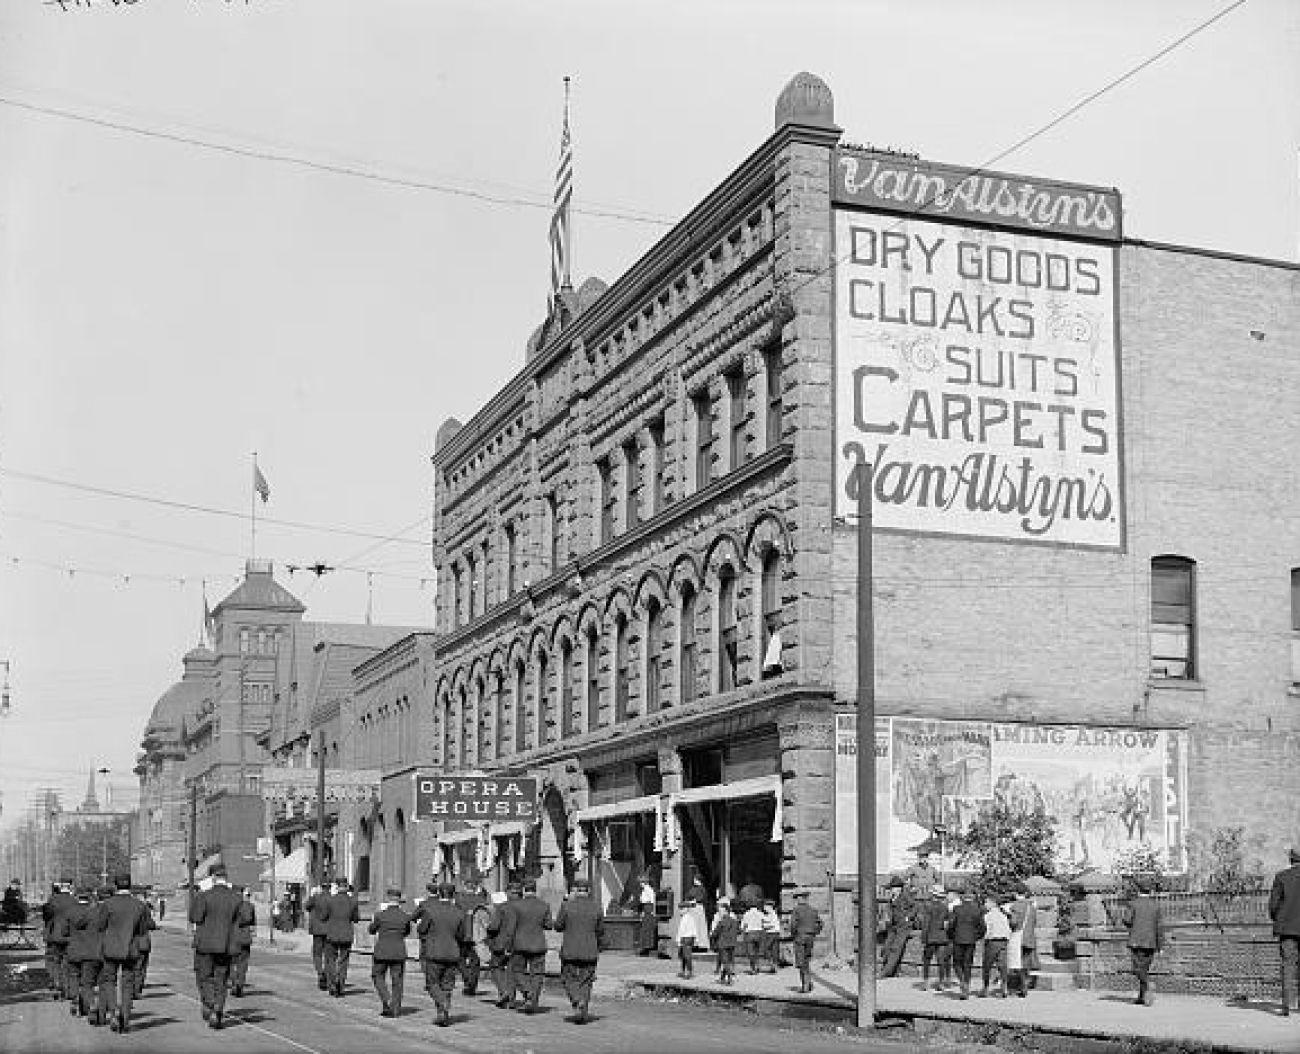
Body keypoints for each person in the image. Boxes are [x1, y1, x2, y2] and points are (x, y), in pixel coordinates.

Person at [189, 862, 242, 1029]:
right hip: (226, 944)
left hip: (205, 944)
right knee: (221, 978)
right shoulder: (236, 897)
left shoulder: (204, 896)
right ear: (226, 878)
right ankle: (218, 1006)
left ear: (213, 878)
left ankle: (210, 1002)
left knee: (203, 976)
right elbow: (246, 918)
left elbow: (195, 917)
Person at [96, 873, 150, 1034]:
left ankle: (113, 1012)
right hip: (130, 949)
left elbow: (100, 926)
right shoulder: (140, 905)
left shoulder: (108, 904)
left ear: (115, 885)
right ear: (130, 885)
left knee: (109, 981)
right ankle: (125, 1016)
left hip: (111, 948)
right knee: (127, 983)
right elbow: (143, 929)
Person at [554, 876, 604, 1024]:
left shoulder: (567, 906)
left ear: (575, 890)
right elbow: (600, 930)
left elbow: (558, 926)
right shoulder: (597, 907)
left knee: (568, 978)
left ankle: (576, 999)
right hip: (589, 950)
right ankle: (582, 1010)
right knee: (586, 981)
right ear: (588, 891)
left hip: (570, 950)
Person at [418, 880, 466, 1027]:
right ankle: (442, 1014)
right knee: (447, 986)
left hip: (434, 952)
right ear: (452, 894)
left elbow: (421, 929)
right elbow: (462, 935)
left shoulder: (431, 910)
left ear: (439, 893)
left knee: (432, 983)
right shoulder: (459, 912)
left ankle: (442, 1003)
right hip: (452, 952)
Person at [510, 879, 553, 1013]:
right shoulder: (544, 905)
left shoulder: (516, 905)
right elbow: (548, 925)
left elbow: (511, 926)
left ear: (523, 890)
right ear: (535, 890)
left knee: (517, 971)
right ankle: (532, 999)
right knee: (537, 973)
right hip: (538, 943)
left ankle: (527, 992)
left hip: (519, 943)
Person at [369, 887, 411, 1018]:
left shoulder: (380, 915)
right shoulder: (405, 916)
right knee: (397, 980)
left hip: (382, 950)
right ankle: (396, 1009)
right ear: (399, 899)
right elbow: (406, 932)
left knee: (377, 975)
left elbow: (371, 930)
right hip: (398, 951)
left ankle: (386, 997)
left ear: (388, 899)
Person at [1268, 846, 1300, 1017]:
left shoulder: (1281, 877)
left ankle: (1286, 1005)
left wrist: (1279, 918)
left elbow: (1273, 906)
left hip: (1287, 928)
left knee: (1288, 966)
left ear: (1291, 859)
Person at [1121, 878, 1163, 1006]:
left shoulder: (1133, 904)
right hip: (1151, 942)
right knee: (1144, 968)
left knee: (1137, 969)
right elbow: (1159, 927)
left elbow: (1127, 921)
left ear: (1138, 889)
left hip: (1136, 940)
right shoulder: (1155, 905)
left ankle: (1148, 985)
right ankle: (1142, 996)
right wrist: (1160, 945)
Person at [62, 887, 101, 1021]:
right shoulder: (95, 912)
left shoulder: (69, 911)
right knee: (87, 982)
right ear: (89, 897)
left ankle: (75, 999)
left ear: (77, 897)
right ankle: (90, 1005)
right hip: (91, 951)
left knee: (73, 976)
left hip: (74, 950)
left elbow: (64, 932)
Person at [322, 879, 360, 997]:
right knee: (343, 961)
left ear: (337, 887)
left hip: (332, 934)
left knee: (331, 960)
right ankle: (341, 984)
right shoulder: (353, 901)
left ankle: (332, 983)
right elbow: (356, 918)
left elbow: (323, 916)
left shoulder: (330, 900)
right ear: (347, 887)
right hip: (346, 934)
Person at [486, 882, 521, 1007]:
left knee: (495, 966)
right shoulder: (524, 906)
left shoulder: (502, 907)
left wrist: (487, 930)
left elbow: (494, 926)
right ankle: (511, 998)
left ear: (507, 893)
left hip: (502, 943)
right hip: (519, 944)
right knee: (512, 970)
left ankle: (503, 991)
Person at [946, 890, 985, 1000]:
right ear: (972, 898)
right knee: (967, 964)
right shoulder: (977, 910)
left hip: (958, 939)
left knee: (957, 963)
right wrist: (976, 937)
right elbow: (982, 927)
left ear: (963, 899)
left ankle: (962, 981)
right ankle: (966, 984)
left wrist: (950, 936)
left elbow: (952, 924)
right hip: (971, 940)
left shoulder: (957, 909)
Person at [41, 879, 75, 1001]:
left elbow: (46, 917)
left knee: (53, 961)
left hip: (53, 935)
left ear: (61, 887)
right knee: (67, 962)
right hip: (69, 936)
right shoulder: (74, 901)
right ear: (70, 887)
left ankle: (56, 984)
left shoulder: (52, 900)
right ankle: (66, 987)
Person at [456, 873, 489, 996]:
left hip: (462, 933)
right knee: (475, 961)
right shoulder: (481, 900)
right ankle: (472, 986)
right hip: (477, 935)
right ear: (475, 887)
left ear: (465, 886)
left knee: (460, 959)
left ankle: (467, 979)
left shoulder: (459, 899)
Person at [918, 885, 953, 991]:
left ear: (932, 895)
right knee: (941, 961)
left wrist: (923, 938)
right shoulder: (945, 907)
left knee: (926, 960)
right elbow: (947, 923)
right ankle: (941, 982)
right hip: (942, 937)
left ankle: (926, 982)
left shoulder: (927, 906)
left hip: (930, 937)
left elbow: (926, 924)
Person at [789, 888, 823, 994]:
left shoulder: (797, 910)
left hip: (800, 937)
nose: (797, 900)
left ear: (800, 898)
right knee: (806, 960)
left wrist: (793, 934)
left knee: (801, 962)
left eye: (797, 898)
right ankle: (808, 982)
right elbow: (820, 923)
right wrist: (814, 932)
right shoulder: (813, 910)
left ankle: (805, 985)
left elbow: (793, 925)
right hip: (810, 938)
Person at [880, 877, 915, 978]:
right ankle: (891, 970)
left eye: (892, 888)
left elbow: (915, 907)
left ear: (898, 888)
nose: (891, 890)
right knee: (886, 946)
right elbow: (890, 911)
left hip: (903, 927)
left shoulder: (905, 896)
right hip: (894, 926)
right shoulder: (892, 898)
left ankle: (886, 972)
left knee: (896, 948)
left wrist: (908, 917)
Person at [979, 894, 1011, 998]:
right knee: (1002, 966)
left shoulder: (988, 916)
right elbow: (1008, 929)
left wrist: (983, 939)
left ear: (992, 903)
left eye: (986, 902)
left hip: (992, 942)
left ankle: (985, 988)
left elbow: (986, 930)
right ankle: (1004, 987)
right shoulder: (1004, 914)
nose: (985, 905)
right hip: (1004, 941)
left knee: (987, 966)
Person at [229, 885, 257, 997]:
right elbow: (253, 923)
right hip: (245, 937)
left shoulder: (231, 906)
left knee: (231, 962)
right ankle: (240, 983)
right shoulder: (250, 906)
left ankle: (234, 982)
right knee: (243, 963)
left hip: (233, 937)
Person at [132, 888, 158, 999]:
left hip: (132, 942)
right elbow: (151, 924)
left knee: (133, 967)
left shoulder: (131, 908)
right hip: (143, 941)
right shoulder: (144, 909)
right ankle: (137, 990)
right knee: (141, 967)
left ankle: (131, 988)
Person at [304, 883, 330, 990]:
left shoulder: (315, 897)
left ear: (321, 888)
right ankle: (327, 973)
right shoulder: (332, 898)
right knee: (329, 954)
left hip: (317, 930)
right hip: (329, 930)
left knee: (317, 953)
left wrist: (312, 895)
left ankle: (320, 972)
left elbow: (306, 906)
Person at [710, 898, 740, 985]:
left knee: (725, 961)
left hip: (723, 944)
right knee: (727, 960)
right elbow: (739, 931)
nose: (720, 913)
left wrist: (712, 938)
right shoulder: (734, 921)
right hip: (732, 944)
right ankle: (722, 978)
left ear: (726, 911)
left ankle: (730, 978)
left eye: (721, 911)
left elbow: (715, 933)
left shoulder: (722, 922)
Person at [675, 896, 702, 979]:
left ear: (686, 909)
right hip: (690, 938)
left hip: (685, 938)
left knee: (686, 956)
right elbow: (694, 929)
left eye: (681, 909)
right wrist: (696, 938)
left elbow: (681, 930)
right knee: (685, 955)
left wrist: (678, 939)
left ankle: (688, 972)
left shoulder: (685, 918)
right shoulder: (691, 918)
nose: (680, 911)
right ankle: (684, 971)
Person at [740, 897, 765, 974]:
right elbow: (764, 922)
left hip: (750, 933)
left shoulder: (746, 914)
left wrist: (742, 933)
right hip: (759, 932)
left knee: (751, 952)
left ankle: (753, 968)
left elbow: (743, 926)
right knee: (757, 951)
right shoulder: (760, 913)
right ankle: (758, 966)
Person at [636, 874, 659, 956]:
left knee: (647, 929)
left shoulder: (649, 890)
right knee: (645, 929)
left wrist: (653, 911)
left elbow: (652, 901)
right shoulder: (644, 890)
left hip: (649, 908)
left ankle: (647, 948)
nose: (640, 884)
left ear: (644, 882)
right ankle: (644, 947)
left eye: (641, 882)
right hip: (646, 909)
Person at [759, 898, 782, 972]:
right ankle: (774, 965)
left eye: (765, 906)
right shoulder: (771, 914)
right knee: (774, 949)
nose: (764, 908)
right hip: (775, 933)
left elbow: (772, 924)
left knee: (766, 949)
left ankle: (772, 963)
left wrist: (764, 926)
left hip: (771, 933)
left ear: (770, 907)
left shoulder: (772, 914)